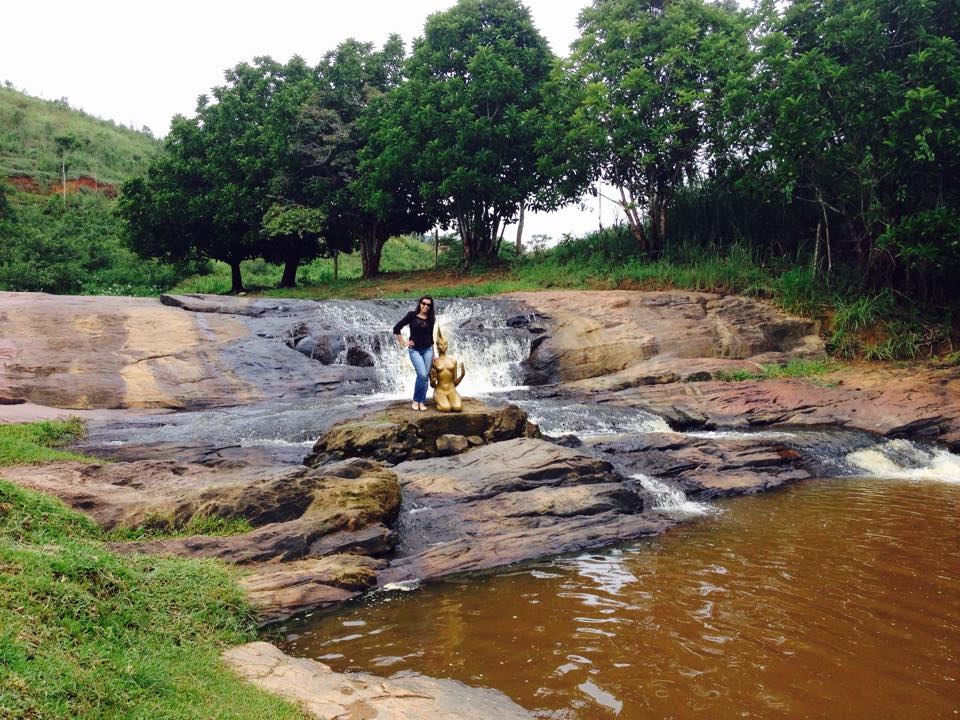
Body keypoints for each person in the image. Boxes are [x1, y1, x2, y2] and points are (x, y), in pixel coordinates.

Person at [393, 296, 437, 411]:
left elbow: (431, 337)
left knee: (426, 376)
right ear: (420, 303)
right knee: (422, 374)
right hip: (415, 350)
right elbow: (396, 328)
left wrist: (434, 354)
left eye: (428, 305)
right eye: (424, 303)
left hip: (428, 350)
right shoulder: (411, 315)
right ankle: (416, 400)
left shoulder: (431, 319)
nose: (426, 306)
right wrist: (403, 343)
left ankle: (421, 401)